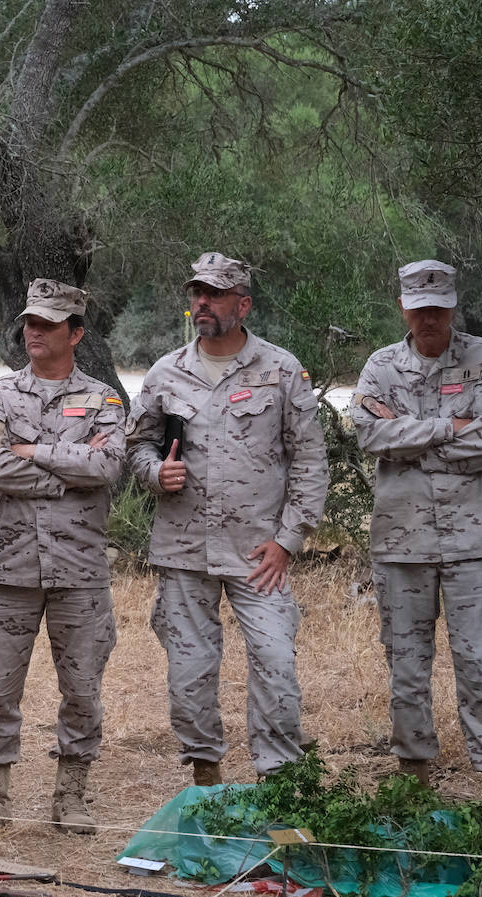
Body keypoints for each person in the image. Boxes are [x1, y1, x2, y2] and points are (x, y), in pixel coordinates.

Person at [127, 252, 327, 786]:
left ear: (243, 304)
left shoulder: (281, 370)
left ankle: (280, 782)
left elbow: (309, 458)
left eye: (214, 295)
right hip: (184, 548)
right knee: (189, 673)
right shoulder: (167, 371)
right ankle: (206, 779)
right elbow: (139, 446)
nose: (202, 304)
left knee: (275, 662)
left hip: (259, 550)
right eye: (197, 293)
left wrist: (288, 540)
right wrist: (154, 474)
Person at [350, 259, 482, 802]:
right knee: (407, 668)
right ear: (403, 306)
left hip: (473, 545)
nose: (429, 318)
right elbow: (368, 433)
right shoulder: (380, 366)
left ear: (453, 306)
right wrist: (447, 427)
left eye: (439, 308)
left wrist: (408, 437)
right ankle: (414, 783)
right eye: (419, 307)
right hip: (402, 543)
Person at [0, 279, 125, 839]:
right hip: (10, 570)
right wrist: (67, 473)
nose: (33, 330)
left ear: (75, 333)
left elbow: (108, 471)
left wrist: (32, 450)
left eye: (48, 324)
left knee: (82, 688)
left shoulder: (104, 399)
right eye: (30, 321)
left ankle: (71, 794)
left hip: (80, 572)